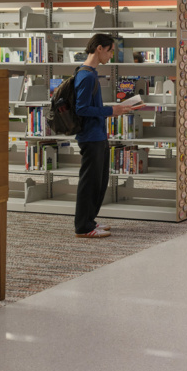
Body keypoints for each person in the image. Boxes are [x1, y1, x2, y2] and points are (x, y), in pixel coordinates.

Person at [74, 33, 140, 238]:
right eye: (110, 50)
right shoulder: (86, 76)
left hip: (98, 134)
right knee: (90, 182)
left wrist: (112, 110)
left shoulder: (91, 73)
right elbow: (81, 109)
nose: (111, 55)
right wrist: (112, 111)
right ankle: (83, 227)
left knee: (100, 181)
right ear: (99, 48)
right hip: (90, 136)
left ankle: (90, 221)